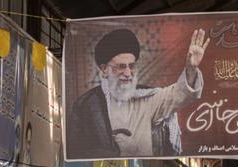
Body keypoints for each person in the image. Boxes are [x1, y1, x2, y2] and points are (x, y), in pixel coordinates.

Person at [66, 27, 208, 159]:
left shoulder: (146, 99)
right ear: (104, 69)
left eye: (132, 66)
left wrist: (191, 68)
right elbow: (76, 150)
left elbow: (179, 95)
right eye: (121, 67)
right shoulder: (86, 106)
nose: (128, 73)